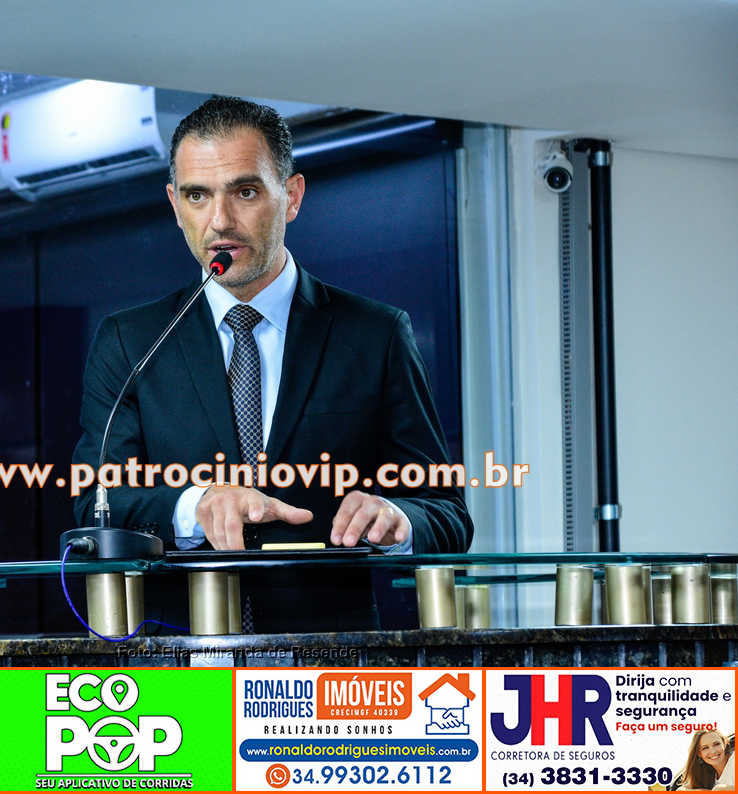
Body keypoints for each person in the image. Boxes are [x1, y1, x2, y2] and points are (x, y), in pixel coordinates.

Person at [72, 96, 473, 632]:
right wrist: (196, 506)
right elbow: (95, 503)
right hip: (177, 655)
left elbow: (446, 514)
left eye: (245, 191)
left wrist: (399, 518)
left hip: (331, 658)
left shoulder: (374, 335)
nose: (220, 221)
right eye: (197, 195)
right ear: (175, 204)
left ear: (292, 197)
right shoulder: (129, 341)